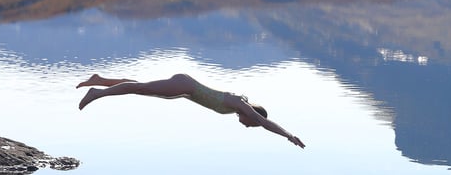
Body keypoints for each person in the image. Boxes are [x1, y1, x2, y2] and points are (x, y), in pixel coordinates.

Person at [76, 73, 305, 148]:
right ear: (253, 115)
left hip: (185, 91)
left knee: (141, 87)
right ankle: (97, 93)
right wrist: (289, 135)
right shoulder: (240, 105)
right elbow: (265, 122)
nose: (247, 125)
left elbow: (260, 121)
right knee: (140, 88)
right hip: (186, 87)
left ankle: (101, 80)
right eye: (251, 123)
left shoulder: (237, 107)